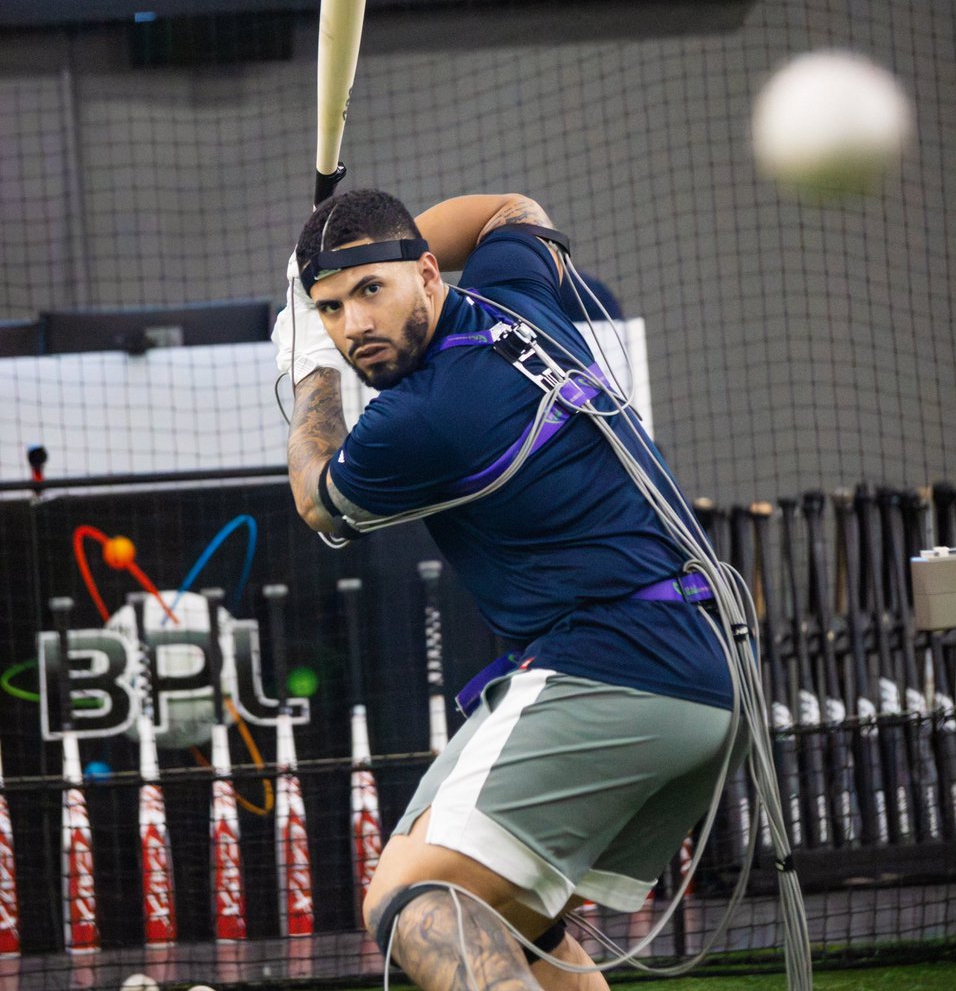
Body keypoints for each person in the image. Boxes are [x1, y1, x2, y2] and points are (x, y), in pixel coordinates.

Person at [273, 189, 742, 991]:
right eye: (328, 309)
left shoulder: (425, 417)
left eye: (371, 291)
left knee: (418, 905)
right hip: (696, 657)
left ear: (427, 273)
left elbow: (318, 498)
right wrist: (371, 253)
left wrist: (309, 372)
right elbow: (507, 209)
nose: (354, 326)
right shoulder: (515, 294)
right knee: (518, 927)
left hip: (618, 661)